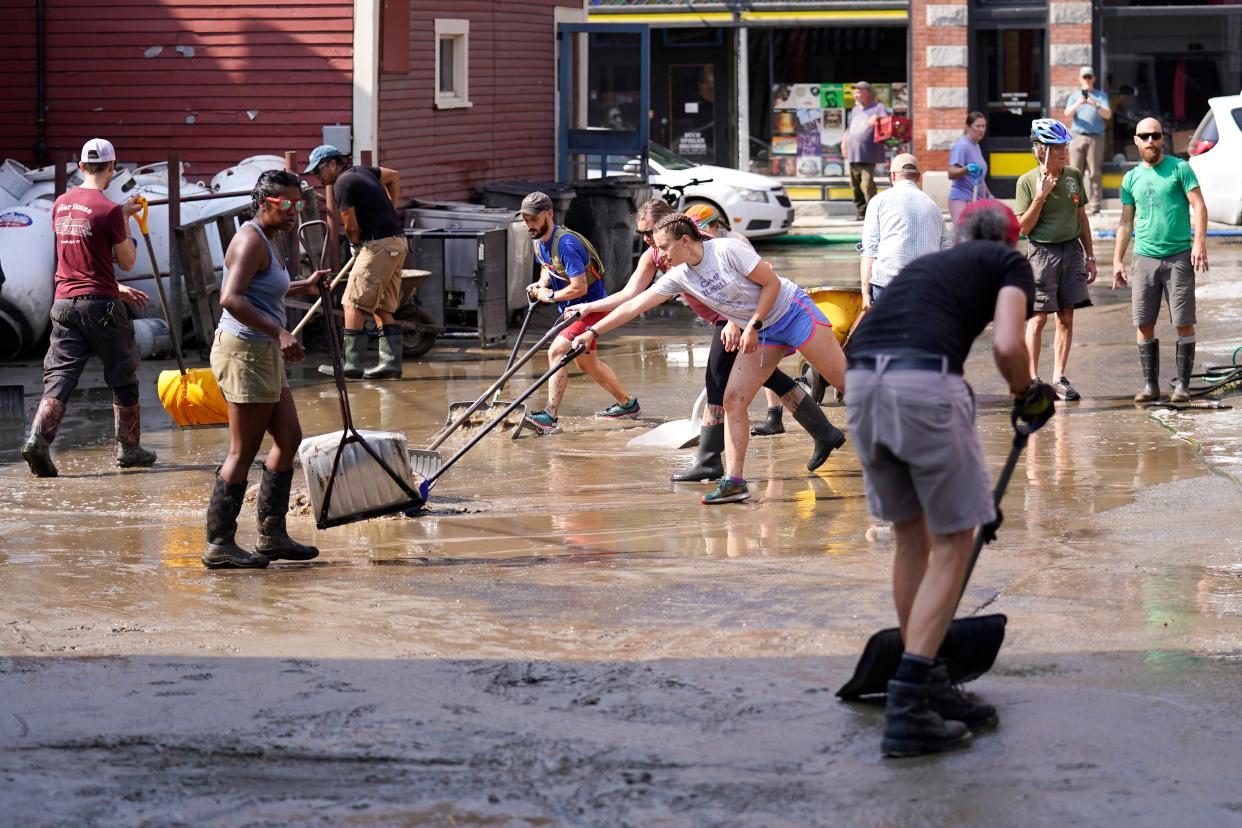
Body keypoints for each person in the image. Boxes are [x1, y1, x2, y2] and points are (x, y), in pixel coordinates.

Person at [844, 200, 1055, 757]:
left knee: (912, 535)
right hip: (922, 384)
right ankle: (910, 704)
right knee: (955, 538)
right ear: (1011, 241)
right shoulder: (1009, 264)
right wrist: (1026, 392)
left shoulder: (927, 267)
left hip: (861, 385)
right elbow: (1010, 345)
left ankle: (927, 674)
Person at [571, 213, 848, 505]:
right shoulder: (679, 275)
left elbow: (772, 284)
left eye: (664, 248)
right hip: (764, 331)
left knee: (842, 381)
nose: (660, 255)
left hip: (791, 312)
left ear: (685, 241)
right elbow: (635, 305)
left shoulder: (727, 250)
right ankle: (734, 481)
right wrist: (592, 331)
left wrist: (751, 325)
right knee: (733, 400)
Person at [202, 170, 330, 569]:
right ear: (264, 202)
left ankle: (272, 536)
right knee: (243, 450)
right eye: (286, 205)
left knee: (290, 438)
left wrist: (302, 286)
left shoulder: (268, 239)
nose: (294, 212)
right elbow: (231, 298)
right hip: (244, 351)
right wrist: (280, 331)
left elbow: (263, 288)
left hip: (263, 351)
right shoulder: (248, 240)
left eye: (298, 205)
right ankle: (220, 543)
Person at [22, 138, 157, 478]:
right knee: (123, 371)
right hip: (101, 306)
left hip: (64, 302)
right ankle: (129, 448)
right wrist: (124, 221)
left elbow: (81, 249)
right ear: (112, 168)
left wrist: (120, 215)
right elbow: (125, 261)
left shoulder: (60, 205)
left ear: (81, 167)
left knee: (60, 374)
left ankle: (38, 439)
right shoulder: (108, 209)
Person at [519, 191, 640, 435]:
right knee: (588, 364)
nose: (529, 224)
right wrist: (543, 285)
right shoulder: (538, 240)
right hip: (570, 310)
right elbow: (548, 268)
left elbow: (580, 287)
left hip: (591, 308)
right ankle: (628, 405)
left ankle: (549, 417)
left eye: (533, 219)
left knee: (557, 350)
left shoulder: (566, 243)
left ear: (549, 214)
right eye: (525, 219)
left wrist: (550, 296)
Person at [1112, 117, 1209, 404]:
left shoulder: (1180, 168)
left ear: (1162, 139)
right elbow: (1125, 222)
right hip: (1144, 258)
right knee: (1143, 324)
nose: (1151, 141)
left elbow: (1200, 206)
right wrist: (1117, 260)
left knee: (1184, 322)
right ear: (1136, 140)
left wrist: (1199, 243)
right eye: (1145, 136)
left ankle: (1183, 387)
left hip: (1178, 256)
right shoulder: (1131, 178)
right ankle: (1150, 386)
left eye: (1155, 135)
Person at [304, 145, 406, 380]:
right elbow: (394, 175)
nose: (318, 178)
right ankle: (390, 364)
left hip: (377, 245)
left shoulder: (341, 184)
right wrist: (391, 207)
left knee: (351, 302)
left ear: (332, 164)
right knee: (381, 306)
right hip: (397, 242)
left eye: (319, 172)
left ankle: (351, 364)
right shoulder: (363, 171)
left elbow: (350, 225)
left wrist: (355, 244)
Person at [1015, 118, 1098, 401]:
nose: (1064, 152)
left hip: (1071, 251)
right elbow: (1023, 228)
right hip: (1041, 253)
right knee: (1037, 317)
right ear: (1040, 150)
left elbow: (1082, 217)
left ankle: (1059, 378)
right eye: (1057, 148)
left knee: (1066, 316)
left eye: (1065, 146)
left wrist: (1090, 256)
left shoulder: (1073, 175)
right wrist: (1041, 195)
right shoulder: (1026, 182)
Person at [860, 153, 953, 312]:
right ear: (918, 177)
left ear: (893, 176)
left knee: (889, 335)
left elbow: (870, 250)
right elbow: (946, 250)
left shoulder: (879, 201)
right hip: (926, 285)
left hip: (888, 283)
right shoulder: (933, 206)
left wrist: (865, 293)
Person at [1064, 66, 1111, 216]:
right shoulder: (1074, 96)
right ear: (1080, 79)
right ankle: (1073, 205)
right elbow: (1067, 113)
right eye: (1084, 77)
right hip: (1077, 136)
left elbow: (1108, 115)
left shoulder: (1101, 96)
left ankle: (1095, 207)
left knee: (1094, 173)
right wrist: (1079, 103)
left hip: (1095, 138)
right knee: (1074, 173)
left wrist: (1094, 104)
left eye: (1089, 77)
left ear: (1094, 79)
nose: (1087, 80)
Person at [845, 81, 890, 221]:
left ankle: (872, 214)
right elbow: (849, 128)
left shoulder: (878, 107)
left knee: (866, 184)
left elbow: (887, 119)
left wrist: (877, 117)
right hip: (853, 152)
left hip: (867, 153)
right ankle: (860, 212)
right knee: (855, 185)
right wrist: (843, 142)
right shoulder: (855, 109)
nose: (856, 94)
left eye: (859, 91)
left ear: (868, 93)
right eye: (855, 91)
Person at [947, 112, 991, 224]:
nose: (982, 130)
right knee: (965, 237)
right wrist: (967, 169)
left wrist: (989, 195)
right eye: (978, 126)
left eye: (984, 126)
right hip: (962, 199)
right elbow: (951, 173)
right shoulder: (962, 146)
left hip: (977, 200)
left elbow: (979, 178)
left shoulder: (976, 145)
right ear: (968, 127)